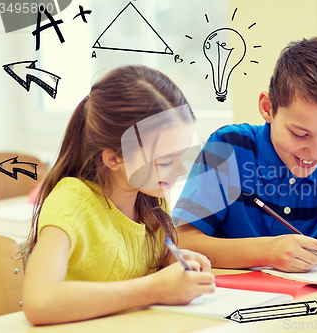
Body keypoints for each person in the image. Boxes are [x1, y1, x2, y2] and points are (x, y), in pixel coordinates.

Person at [172, 37, 317, 273]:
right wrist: (268, 252)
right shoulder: (228, 147)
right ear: (267, 108)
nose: (314, 153)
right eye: (299, 134)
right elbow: (182, 241)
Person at [21, 65, 215, 325]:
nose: (180, 170)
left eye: (182, 155)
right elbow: (39, 302)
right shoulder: (70, 203)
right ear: (114, 158)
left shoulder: (151, 196)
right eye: (167, 160)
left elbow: (138, 260)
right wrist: (155, 288)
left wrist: (173, 261)